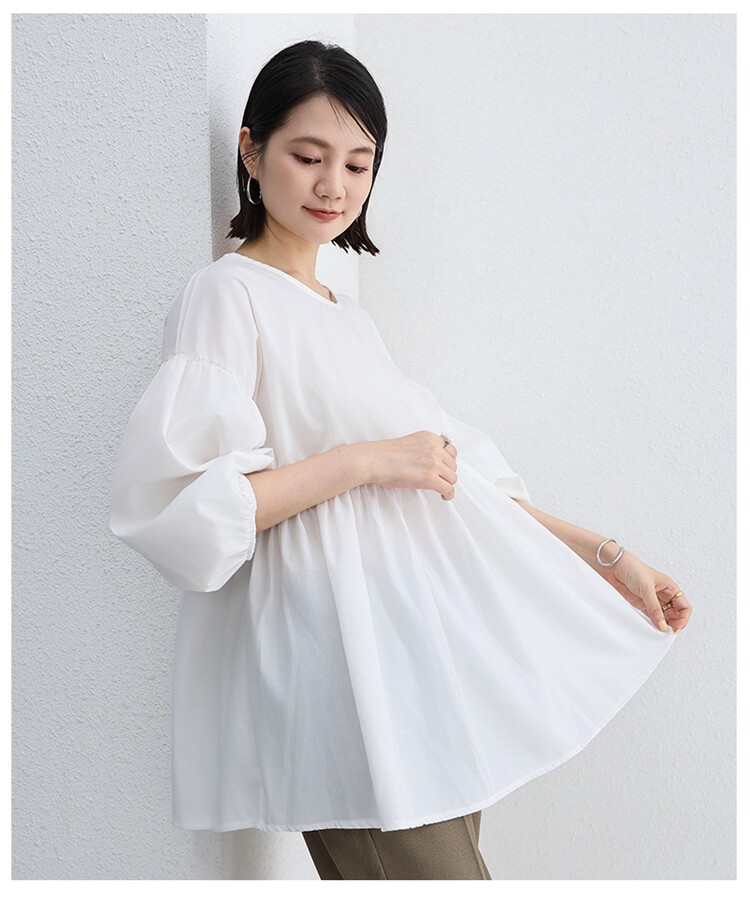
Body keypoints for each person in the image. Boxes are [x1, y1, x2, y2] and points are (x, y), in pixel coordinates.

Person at [108, 39, 693, 881]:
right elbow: (190, 505)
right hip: (337, 675)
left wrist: (608, 556)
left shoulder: (346, 315)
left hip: (411, 665)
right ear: (251, 151)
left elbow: (458, 478)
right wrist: (365, 461)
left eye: (357, 163)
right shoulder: (226, 296)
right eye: (308, 156)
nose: (333, 186)